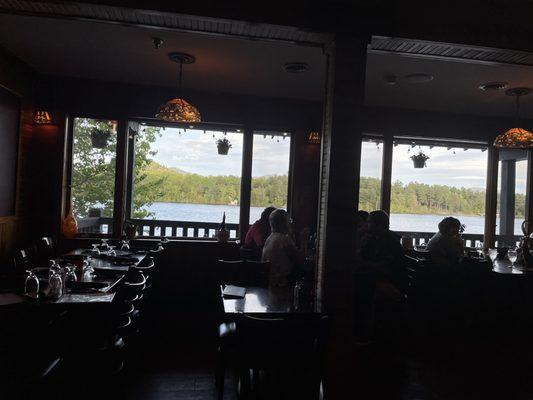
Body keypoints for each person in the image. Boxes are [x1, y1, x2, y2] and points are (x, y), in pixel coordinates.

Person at [262, 209, 300, 288]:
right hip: (281, 282)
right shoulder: (283, 239)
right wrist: (304, 240)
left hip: (268, 281)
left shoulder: (270, 237)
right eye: (289, 220)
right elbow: (300, 260)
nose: (291, 223)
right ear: (284, 223)